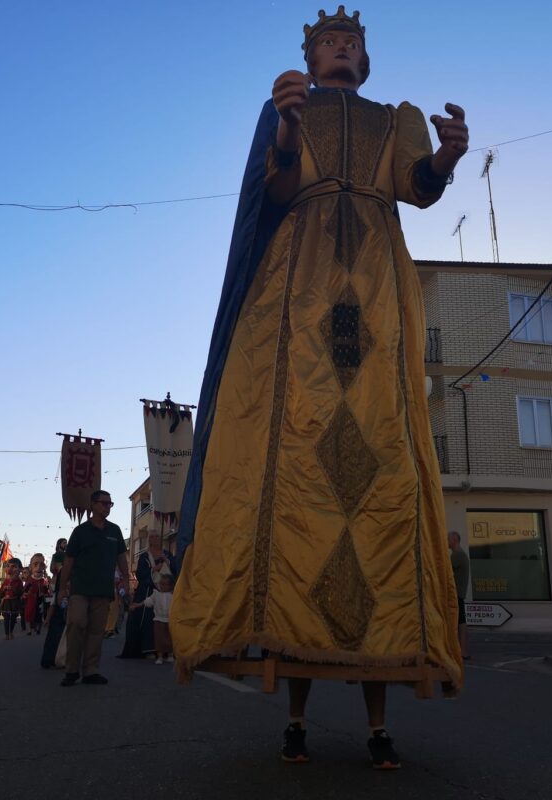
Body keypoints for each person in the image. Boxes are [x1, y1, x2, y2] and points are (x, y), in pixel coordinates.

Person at [170, 8, 468, 770]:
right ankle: (296, 719)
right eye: (327, 42)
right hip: (297, 287)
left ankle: (377, 726)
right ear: (310, 58)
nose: (340, 47)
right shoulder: (290, 109)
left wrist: (444, 157)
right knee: (296, 485)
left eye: (350, 43)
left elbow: (416, 187)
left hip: (374, 286)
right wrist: (285, 128)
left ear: (364, 60)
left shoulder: (393, 119)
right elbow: (273, 191)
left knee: (377, 486)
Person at [56, 490, 130, 687]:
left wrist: (126, 580)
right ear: (93, 505)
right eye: (104, 503)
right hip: (80, 589)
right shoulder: (80, 531)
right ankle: (72, 670)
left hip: (103, 590)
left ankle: (91, 671)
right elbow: (69, 561)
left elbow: (122, 558)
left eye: (110, 504)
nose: (107, 507)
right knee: (76, 623)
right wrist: (62, 589)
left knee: (97, 631)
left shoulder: (114, 531)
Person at [120, 529, 175, 659]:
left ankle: (166, 649)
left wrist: (167, 563)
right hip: (147, 591)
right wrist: (153, 569)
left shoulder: (167, 555)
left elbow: (175, 569)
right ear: (149, 539)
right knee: (147, 621)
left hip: (166, 592)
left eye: (157, 536)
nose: (154, 538)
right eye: (152, 536)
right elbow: (140, 574)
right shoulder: (144, 557)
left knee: (167, 622)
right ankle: (148, 649)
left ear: (160, 539)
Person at [131, 574, 175, 664]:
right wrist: (137, 605)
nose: (162, 586)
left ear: (170, 586)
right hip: (158, 620)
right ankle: (160, 657)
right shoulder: (156, 594)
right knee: (159, 639)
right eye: (161, 584)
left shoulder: (173, 595)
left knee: (170, 638)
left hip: (170, 620)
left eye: (165, 584)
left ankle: (170, 655)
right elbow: (148, 601)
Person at [41, 556, 67, 669]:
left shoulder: (61, 573)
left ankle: (51, 659)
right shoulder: (61, 573)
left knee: (55, 636)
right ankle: (56, 659)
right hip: (62, 608)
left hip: (60, 608)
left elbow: (54, 599)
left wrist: (48, 617)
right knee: (58, 636)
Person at [449, 531, 470, 660]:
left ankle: (462, 651)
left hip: (456, 594)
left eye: (447, 539)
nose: (446, 541)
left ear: (454, 540)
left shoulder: (457, 555)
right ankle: (462, 651)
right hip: (459, 593)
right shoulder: (460, 554)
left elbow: (445, 570)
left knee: (459, 622)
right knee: (460, 622)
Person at [0, 561, 24, 639]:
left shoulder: (19, 581)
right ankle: (6, 634)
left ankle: (11, 632)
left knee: (13, 618)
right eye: (8, 566)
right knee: (6, 618)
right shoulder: (6, 581)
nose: (10, 569)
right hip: (6, 601)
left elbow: (20, 592)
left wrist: (13, 589)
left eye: (14, 567)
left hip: (15, 601)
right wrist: (4, 589)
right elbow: (0, 592)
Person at [24, 554, 48, 636]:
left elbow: (47, 591)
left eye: (41, 565)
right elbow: (25, 590)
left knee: (39, 615)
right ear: (30, 567)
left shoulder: (44, 580)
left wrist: (45, 593)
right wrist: (26, 594)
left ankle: (38, 628)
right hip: (31, 600)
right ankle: (29, 630)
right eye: (35, 564)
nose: (38, 567)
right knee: (28, 614)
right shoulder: (30, 580)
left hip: (40, 600)